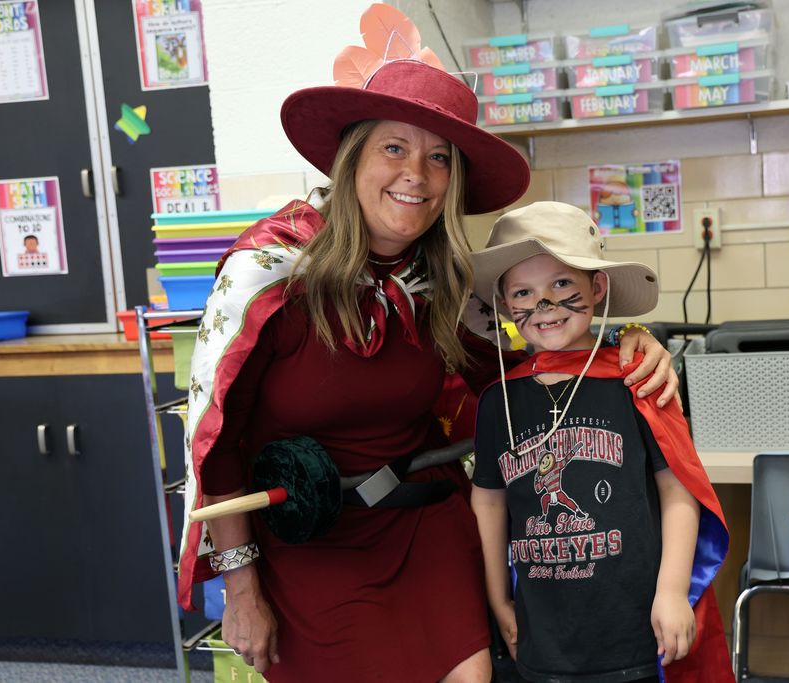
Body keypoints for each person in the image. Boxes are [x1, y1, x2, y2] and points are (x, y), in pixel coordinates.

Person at [176, 7, 681, 682]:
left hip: (425, 525)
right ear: (354, 154)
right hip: (313, 546)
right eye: (394, 147)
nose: (416, 172)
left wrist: (625, 346)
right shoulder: (270, 274)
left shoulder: (441, 282)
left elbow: (529, 367)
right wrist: (241, 590)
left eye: (438, 157)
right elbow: (220, 441)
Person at [470, 201, 733, 683]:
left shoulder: (639, 380)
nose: (544, 304)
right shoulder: (497, 399)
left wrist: (673, 591)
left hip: (634, 629)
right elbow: (488, 502)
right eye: (524, 292)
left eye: (562, 284)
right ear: (506, 306)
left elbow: (679, 490)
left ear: (598, 287)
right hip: (543, 635)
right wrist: (497, 598)